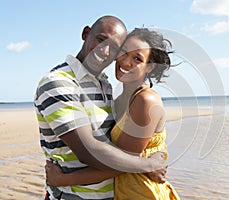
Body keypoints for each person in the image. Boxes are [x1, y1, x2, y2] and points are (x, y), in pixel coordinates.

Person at [34, 16, 166, 200]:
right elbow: (89, 150)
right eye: (101, 40)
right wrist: (148, 165)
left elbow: (120, 150)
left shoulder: (104, 85)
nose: (104, 51)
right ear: (86, 34)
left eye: (114, 48)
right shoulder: (59, 83)